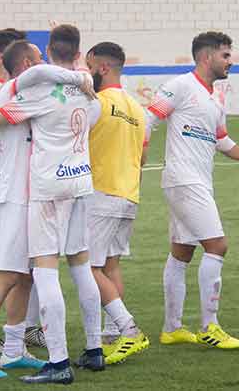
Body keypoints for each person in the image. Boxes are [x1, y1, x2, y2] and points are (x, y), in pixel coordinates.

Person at [0, 40, 92, 379]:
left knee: (27, 275)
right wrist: (77, 77)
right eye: (38, 56)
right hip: (13, 195)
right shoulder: (18, 96)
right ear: (29, 62)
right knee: (7, 272)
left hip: (26, 194)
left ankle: (14, 349)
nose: (43, 61)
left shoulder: (22, 94)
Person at [145, 31, 239, 349]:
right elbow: (149, 117)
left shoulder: (216, 98)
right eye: (225, 55)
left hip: (196, 181)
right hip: (184, 180)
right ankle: (210, 326)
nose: (230, 61)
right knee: (217, 246)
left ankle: (172, 328)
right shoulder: (180, 86)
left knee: (182, 253)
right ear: (207, 57)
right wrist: (140, 149)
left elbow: (222, 141)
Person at [0, 28, 46, 352]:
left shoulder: (28, 91)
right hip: (4, 188)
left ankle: (22, 335)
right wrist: (2, 97)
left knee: (29, 268)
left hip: (29, 190)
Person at [83, 42, 151, 364]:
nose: (87, 72)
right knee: (111, 265)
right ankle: (111, 335)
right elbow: (144, 157)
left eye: (89, 66)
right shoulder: (138, 109)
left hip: (101, 193)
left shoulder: (96, 103)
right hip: (128, 195)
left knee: (87, 266)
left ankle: (128, 329)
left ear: (103, 67)